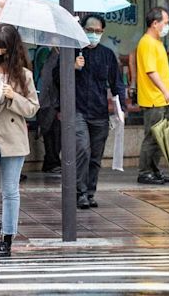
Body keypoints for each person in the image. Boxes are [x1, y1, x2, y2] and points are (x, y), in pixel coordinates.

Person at [71, 14, 126, 209]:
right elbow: (57, 79)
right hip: (77, 111)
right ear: (82, 30)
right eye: (90, 30)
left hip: (100, 113)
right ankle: (80, 193)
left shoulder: (107, 55)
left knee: (95, 156)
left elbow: (117, 84)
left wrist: (122, 109)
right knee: (82, 150)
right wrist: (73, 67)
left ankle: (90, 192)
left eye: (98, 31)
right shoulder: (72, 51)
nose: (93, 34)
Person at [0, 24, 40, 257]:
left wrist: (13, 97)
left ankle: (7, 239)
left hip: (12, 138)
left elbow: (33, 108)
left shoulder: (24, 75)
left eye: (3, 48)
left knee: (10, 191)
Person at [136, 7, 169, 185]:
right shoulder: (147, 43)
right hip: (153, 100)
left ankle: (154, 170)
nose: (167, 26)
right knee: (152, 138)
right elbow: (151, 71)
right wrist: (166, 91)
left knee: (160, 138)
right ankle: (145, 172)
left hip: (161, 99)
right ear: (155, 23)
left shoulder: (157, 43)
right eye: (165, 23)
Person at [36, 47, 61, 174]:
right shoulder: (45, 53)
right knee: (52, 133)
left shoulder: (50, 53)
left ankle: (50, 161)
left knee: (55, 133)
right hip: (47, 101)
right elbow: (47, 78)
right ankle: (52, 162)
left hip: (50, 101)